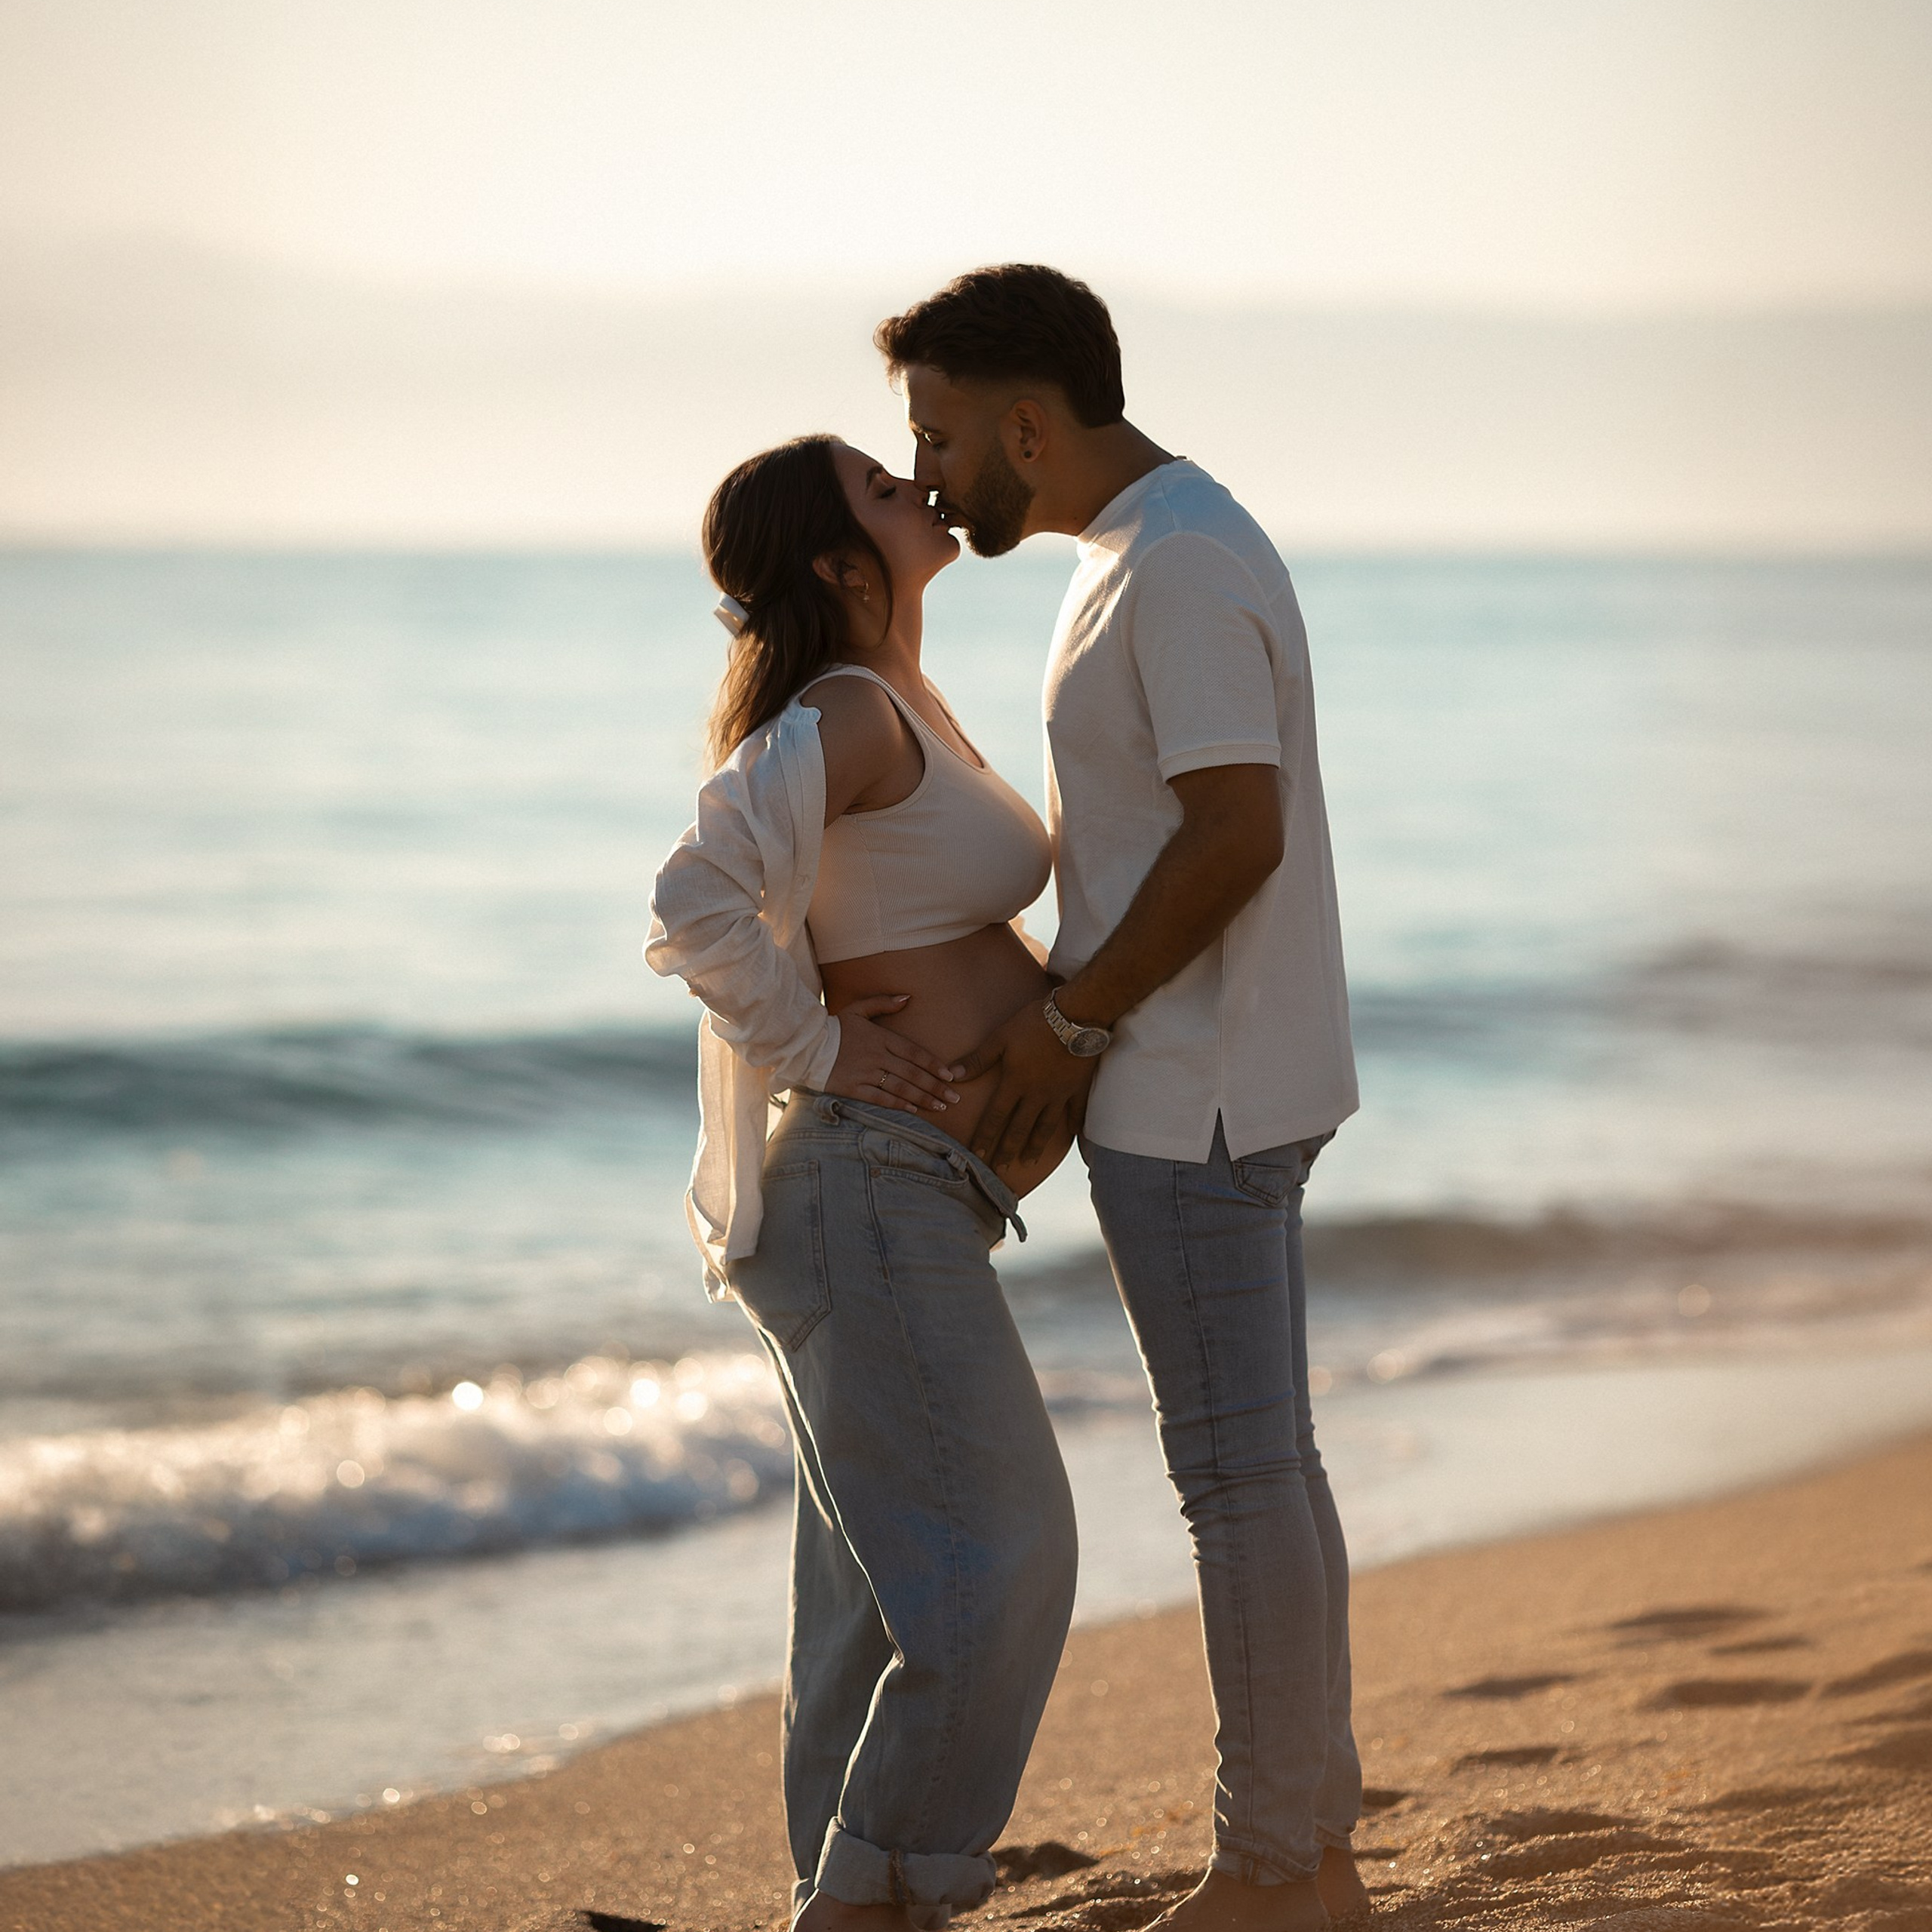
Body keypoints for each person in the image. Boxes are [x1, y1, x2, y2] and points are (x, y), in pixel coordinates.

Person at [872, 266, 1368, 1932]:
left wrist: (1071, 1025)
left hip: (1197, 1095)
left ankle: (1266, 1870)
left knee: (1235, 1478)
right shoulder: (1144, 553)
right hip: (1201, 1079)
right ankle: (1308, 1848)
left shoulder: (1179, 564)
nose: (929, 474)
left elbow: (1238, 832)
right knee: (1265, 1469)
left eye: (940, 435)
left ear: (1031, 421)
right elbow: (1175, 840)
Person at [645, 432, 1078, 1932]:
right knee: (1002, 1559)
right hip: (864, 1187)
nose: (918, 485)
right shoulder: (846, 711)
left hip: (897, 1199)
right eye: (883, 490)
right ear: (839, 562)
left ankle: (830, 1893)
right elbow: (694, 896)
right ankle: (876, 1898)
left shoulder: (901, 701)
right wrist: (822, 1045)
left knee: (865, 1607)